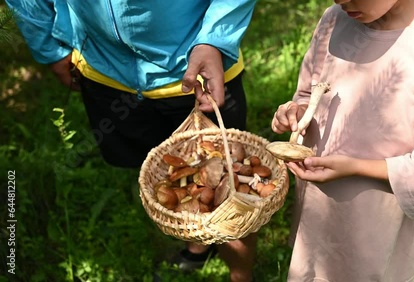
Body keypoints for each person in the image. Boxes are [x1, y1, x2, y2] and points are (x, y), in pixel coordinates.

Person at [6, 1, 257, 281]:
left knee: (230, 186)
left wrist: (215, 38)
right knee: (168, 175)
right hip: (107, 72)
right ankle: (198, 244)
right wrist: (49, 49)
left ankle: (241, 274)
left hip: (197, 70)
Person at [270, 0, 414, 281]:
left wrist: (353, 167)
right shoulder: (334, 20)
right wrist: (297, 112)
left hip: (373, 235)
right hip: (318, 216)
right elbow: (306, 93)